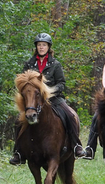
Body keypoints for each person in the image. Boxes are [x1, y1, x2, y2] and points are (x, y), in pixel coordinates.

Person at [9, 33, 87, 165]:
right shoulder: (29, 63)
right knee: (18, 121)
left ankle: (76, 145)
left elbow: (61, 83)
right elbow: (23, 82)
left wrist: (49, 92)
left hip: (53, 99)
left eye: (44, 45)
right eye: (39, 45)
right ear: (36, 47)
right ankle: (18, 152)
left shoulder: (55, 64)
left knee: (69, 115)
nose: (41, 47)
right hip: (33, 100)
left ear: (48, 47)